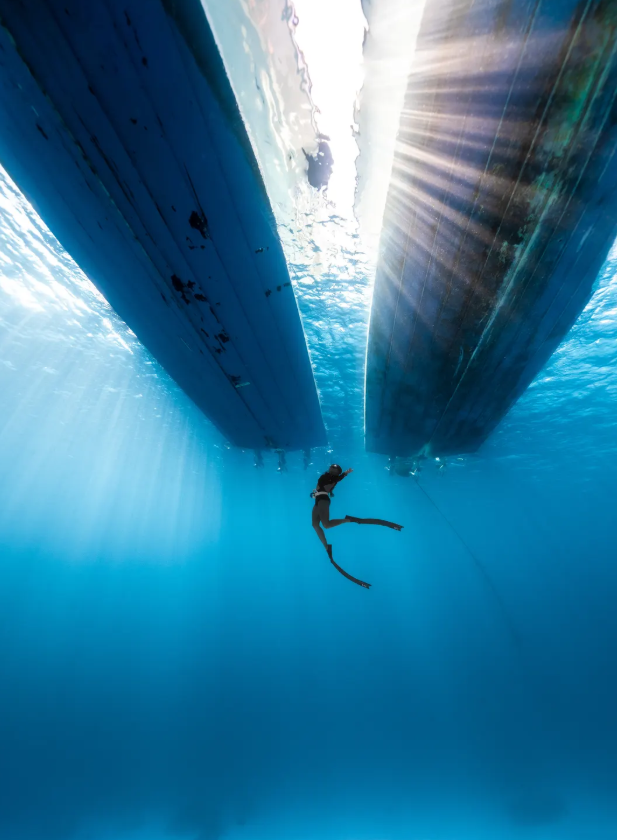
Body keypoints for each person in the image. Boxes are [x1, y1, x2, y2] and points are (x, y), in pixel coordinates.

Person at [311, 464, 403, 588]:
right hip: (318, 500)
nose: (332, 468)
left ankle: (348, 520)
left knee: (326, 525)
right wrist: (313, 493)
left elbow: (336, 480)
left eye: (335, 469)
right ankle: (326, 546)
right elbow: (317, 489)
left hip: (323, 501)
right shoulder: (324, 476)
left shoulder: (333, 478)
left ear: (337, 472)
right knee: (315, 524)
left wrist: (345, 474)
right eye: (331, 467)